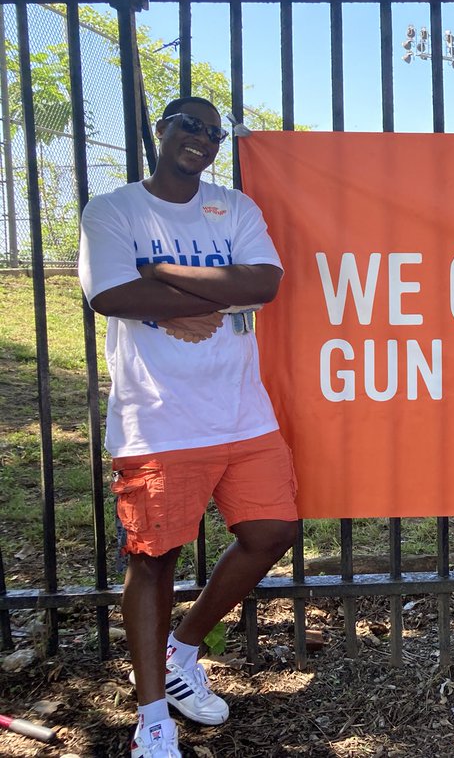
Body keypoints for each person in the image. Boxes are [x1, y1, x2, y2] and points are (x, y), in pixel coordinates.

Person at [78, 97, 300, 758]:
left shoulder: (232, 207)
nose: (201, 138)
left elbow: (262, 282)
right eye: (188, 125)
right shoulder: (113, 209)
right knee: (155, 563)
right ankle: (151, 719)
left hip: (241, 410)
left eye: (213, 131)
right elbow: (110, 295)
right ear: (160, 130)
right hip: (160, 419)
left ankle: (182, 651)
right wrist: (210, 288)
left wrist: (163, 272)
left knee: (272, 532)